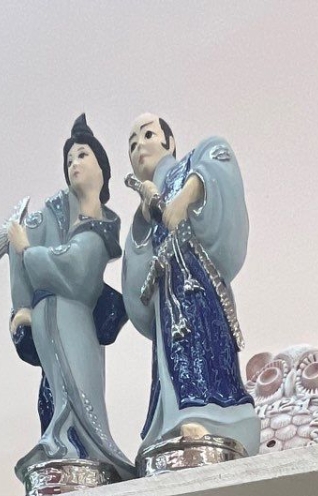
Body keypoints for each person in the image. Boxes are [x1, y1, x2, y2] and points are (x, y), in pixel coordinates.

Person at [4, 114, 132, 492]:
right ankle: (58, 447)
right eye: (69, 159)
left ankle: (78, 449)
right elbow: (39, 257)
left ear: (102, 168)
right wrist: (22, 305)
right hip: (49, 318)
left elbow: (75, 269)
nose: (74, 163)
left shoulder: (101, 227)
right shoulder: (59, 216)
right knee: (54, 388)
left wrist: (27, 249)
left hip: (75, 319)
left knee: (78, 387)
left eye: (83, 155)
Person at [121, 112, 257, 462]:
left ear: (169, 142)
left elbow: (219, 157)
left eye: (147, 135)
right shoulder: (146, 203)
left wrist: (185, 197)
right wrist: (143, 219)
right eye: (132, 144)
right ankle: (173, 420)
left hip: (195, 281)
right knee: (170, 357)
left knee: (202, 343)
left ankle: (211, 414)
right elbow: (136, 267)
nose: (139, 147)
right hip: (167, 295)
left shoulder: (190, 165)